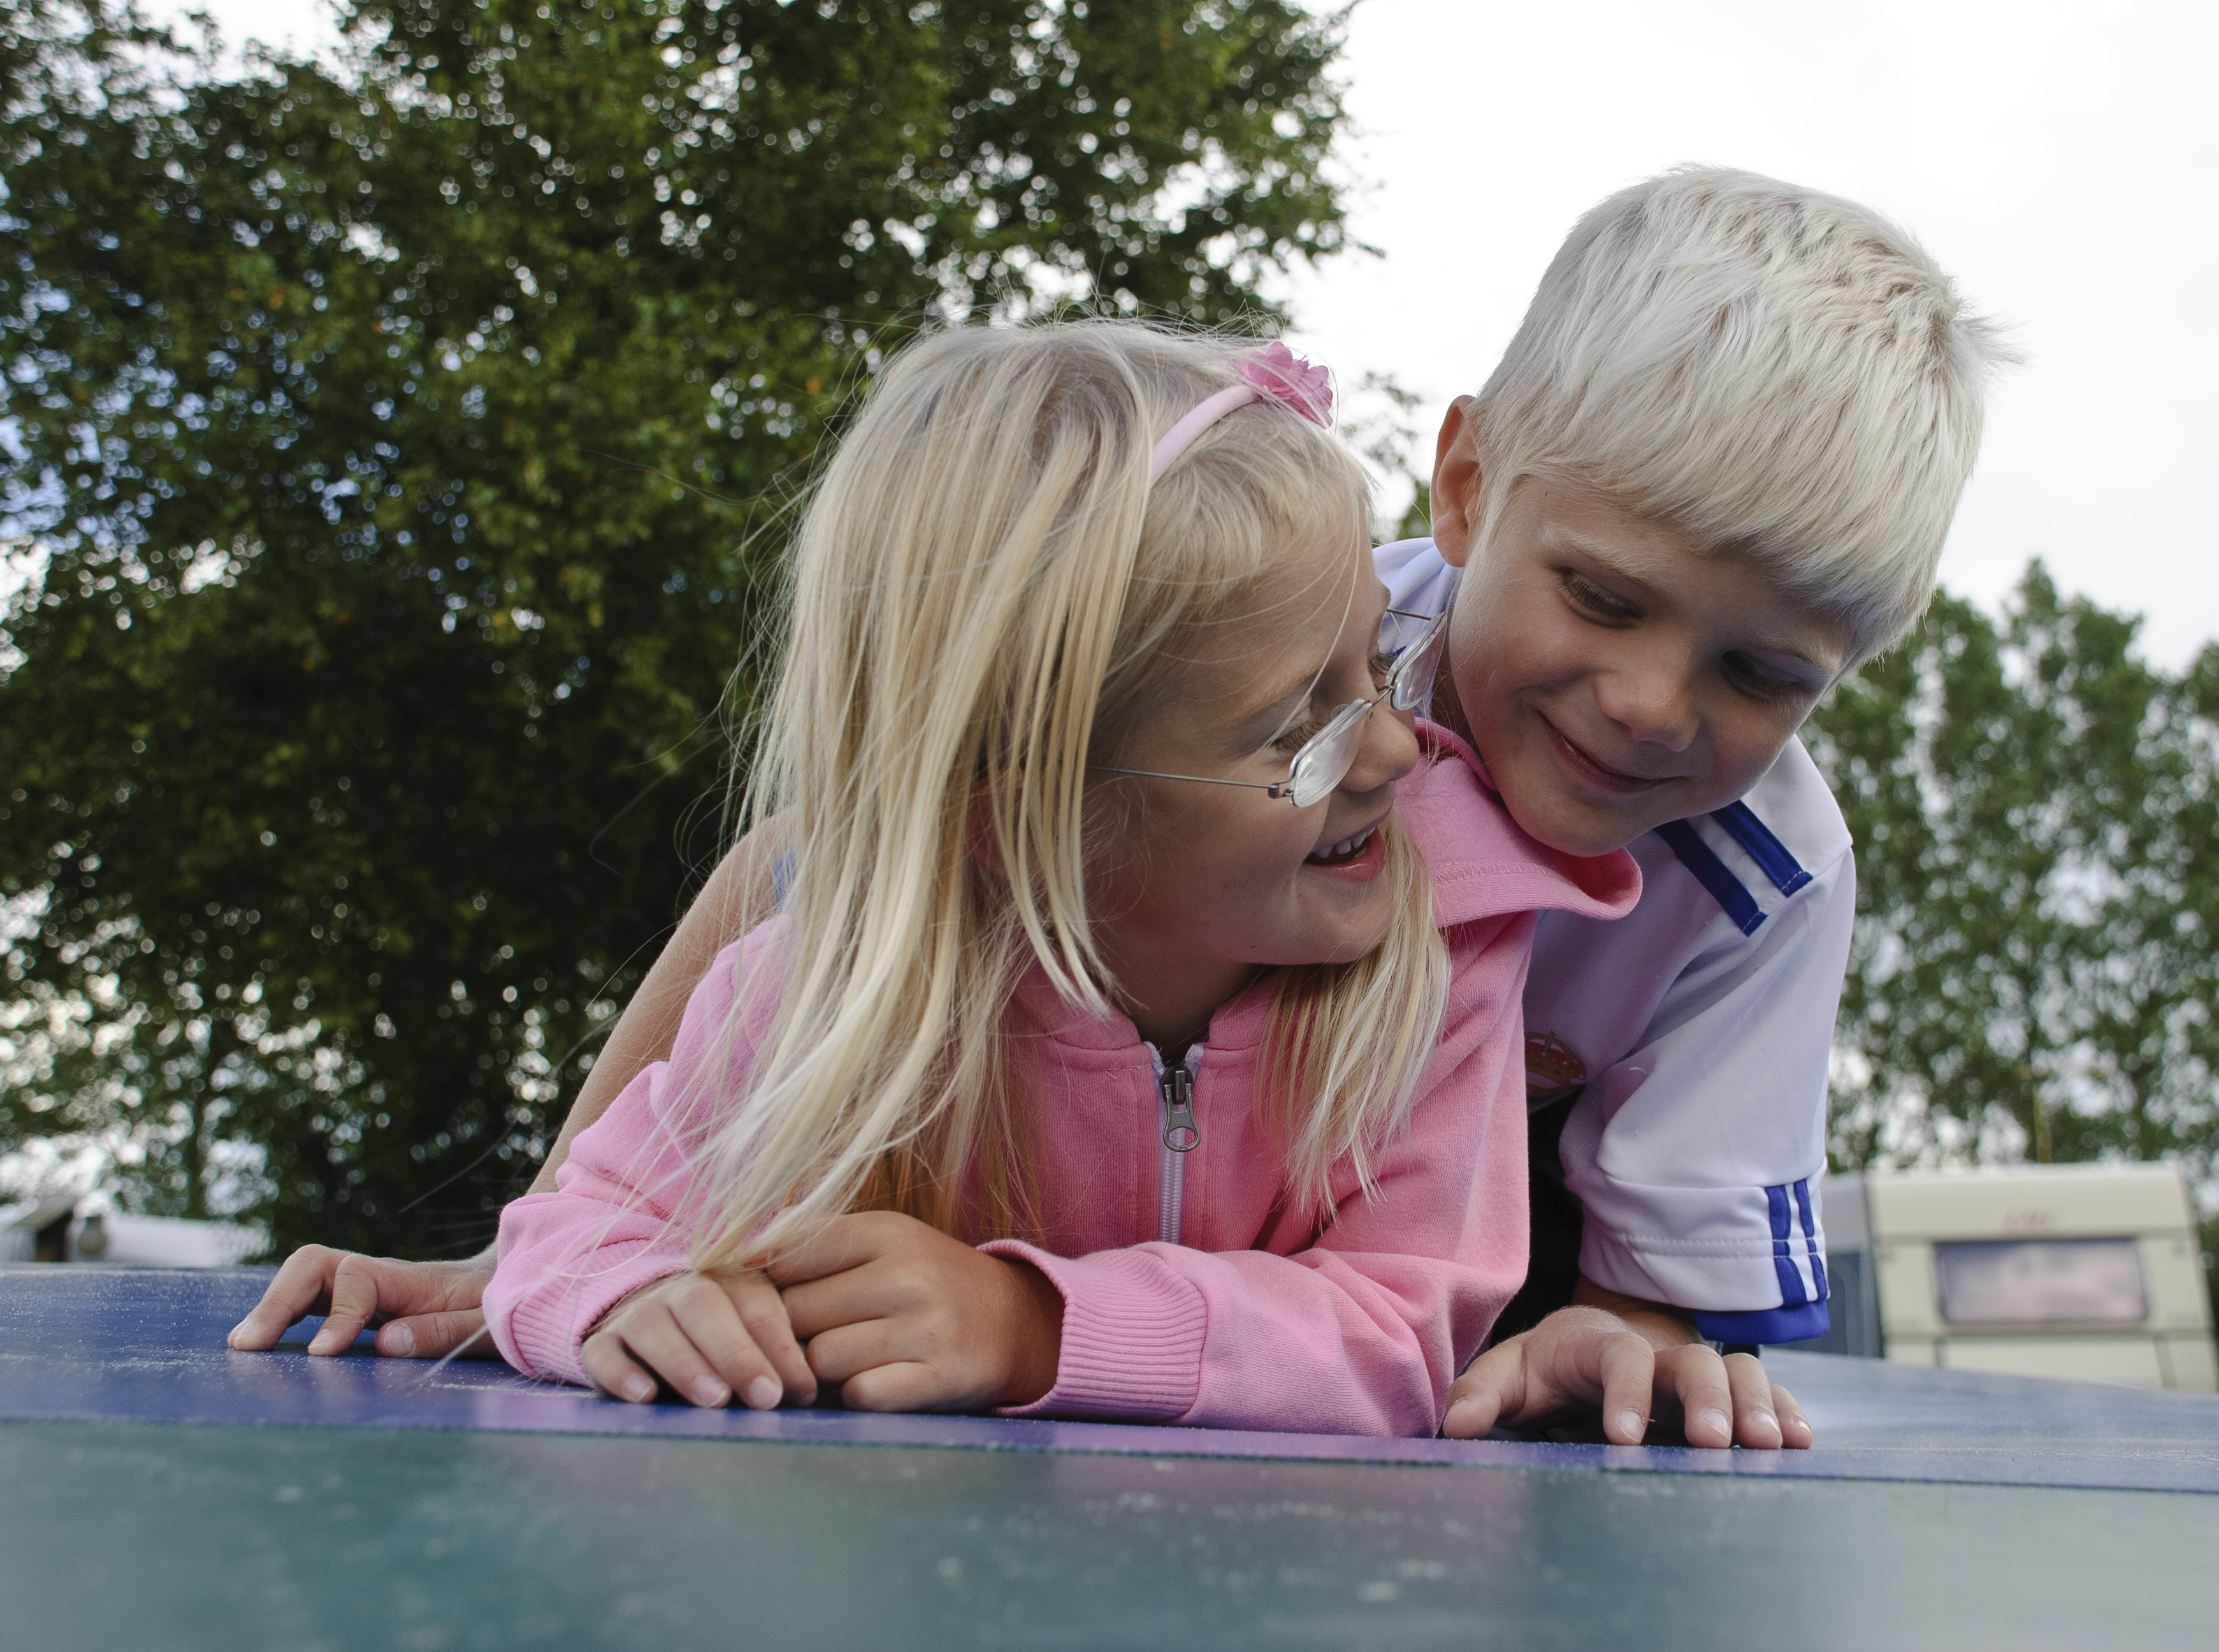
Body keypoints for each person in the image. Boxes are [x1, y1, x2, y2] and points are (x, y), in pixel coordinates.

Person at [236, 165, 1999, 1450]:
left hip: (1404, 1333)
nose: (1649, 706)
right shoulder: (1278, 623)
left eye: (1765, 677)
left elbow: (1608, 1272)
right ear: (1466, 487)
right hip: (1082, 1257)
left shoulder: (1764, 878)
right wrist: (557, 1247)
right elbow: (828, 861)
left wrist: (1616, 1348)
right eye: (1604, 601)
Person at [466, 322, 1638, 1432]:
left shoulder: (1434, 975)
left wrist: (1035, 1329)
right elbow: (581, 1228)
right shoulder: (825, 998)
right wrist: (625, 1305)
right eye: (1297, 731)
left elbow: (1398, 1337)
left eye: (1379, 663)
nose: (1394, 751)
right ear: (1023, 818)